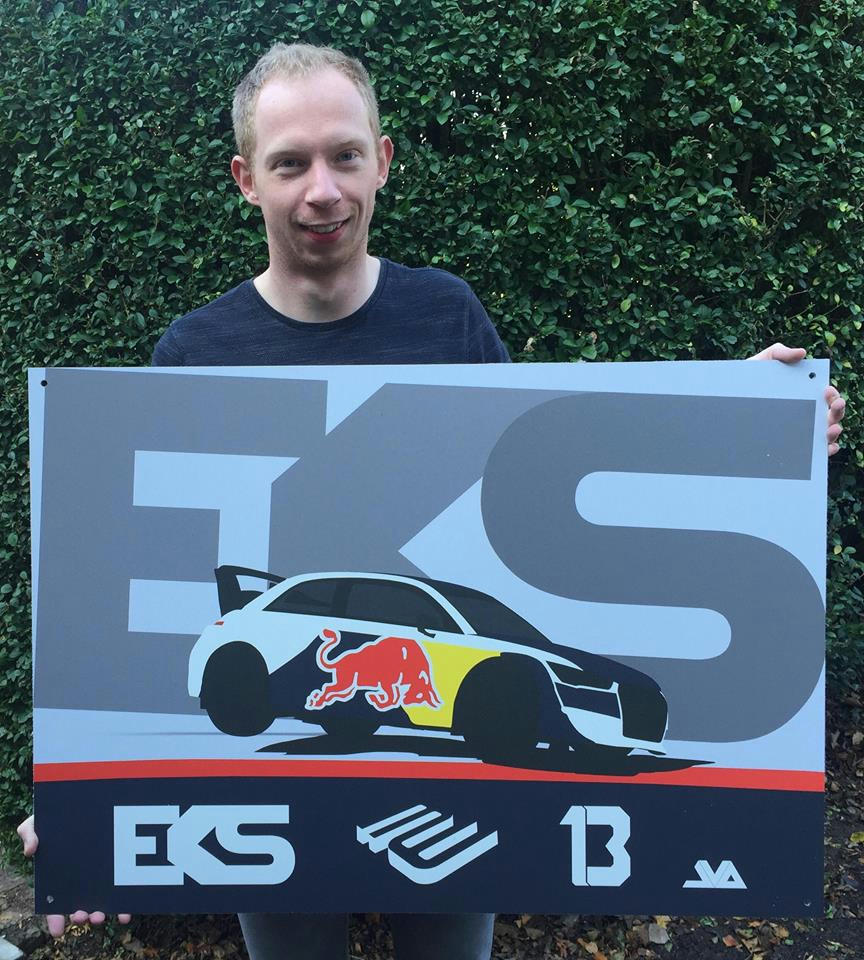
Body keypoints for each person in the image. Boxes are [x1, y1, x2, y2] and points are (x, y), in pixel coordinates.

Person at [18, 39, 846, 960]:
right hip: (275, 784)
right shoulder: (191, 352)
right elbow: (148, 594)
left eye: (345, 155)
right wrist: (78, 795)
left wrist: (747, 422)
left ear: (383, 160)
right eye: (290, 164)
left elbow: (539, 478)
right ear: (246, 180)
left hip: (455, 781)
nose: (322, 190)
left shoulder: (449, 315)